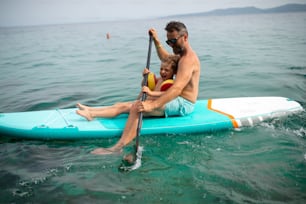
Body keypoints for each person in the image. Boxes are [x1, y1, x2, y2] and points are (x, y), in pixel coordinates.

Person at [92, 21, 201, 155]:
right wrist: (156, 40)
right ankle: (96, 115)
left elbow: (176, 89)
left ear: (185, 37)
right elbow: (166, 58)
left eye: (173, 41)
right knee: (137, 104)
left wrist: (153, 105)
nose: (171, 45)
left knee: (138, 107)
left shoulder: (188, 60)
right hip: (176, 99)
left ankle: (118, 147)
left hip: (183, 104)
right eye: (169, 42)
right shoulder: (181, 55)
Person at [76, 54, 179, 121]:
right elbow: (144, 86)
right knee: (119, 104)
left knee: (122, 107)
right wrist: (145, 78)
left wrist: (151, 93)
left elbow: (168, 94)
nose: (163, 72)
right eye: (161, 69)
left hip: (157, 109)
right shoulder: (159, 79)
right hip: (147, 103)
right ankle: (91, 109)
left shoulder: (170, 84)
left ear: (173, 72)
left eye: (166, 70)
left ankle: (92, 115)